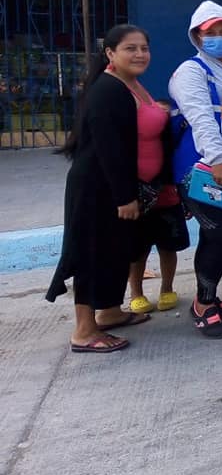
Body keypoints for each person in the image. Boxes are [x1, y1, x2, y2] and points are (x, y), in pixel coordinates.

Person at [46, 25, 152, 353]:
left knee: (113, 251)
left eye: (144, 48)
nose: (139, 54)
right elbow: (110, 149)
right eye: (130, 48)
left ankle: (109, 312)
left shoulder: (127, 84)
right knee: (92, 253)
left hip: (112, 184)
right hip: (98, 188)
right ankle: (84, 331)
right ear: (110, 53)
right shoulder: (108, 90)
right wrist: (124, 196)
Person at [169, 1, 222, 339]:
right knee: (221, 234)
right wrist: (218, 158)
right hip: (203, 171)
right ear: (197, 37)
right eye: (211, 33)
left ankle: (210, 296)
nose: (219, 38)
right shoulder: (191, 71)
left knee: (216, 235)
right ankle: (203, 305)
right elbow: (201, 117)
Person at [127, 97, 190, 315]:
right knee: (138, 252)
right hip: (141, 202)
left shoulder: (172, 139)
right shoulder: (135, 140)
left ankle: (167, 289)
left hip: (167, 199)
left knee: (168, 248)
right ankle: (136, 294)